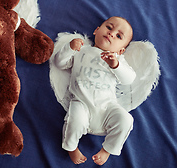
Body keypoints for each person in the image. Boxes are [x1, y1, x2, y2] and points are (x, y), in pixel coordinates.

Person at [54, 16, 136, 165]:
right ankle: (71, 147)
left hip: (107, 107)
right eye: (109, 28)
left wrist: (116, 65)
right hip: (82, 102)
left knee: (126, 120)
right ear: (96, 30)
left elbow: (129, 79)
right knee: (75, 120)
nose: (111, 33)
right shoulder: (82, 50)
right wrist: (69, 48)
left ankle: (108, 149)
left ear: (121, 50)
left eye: (118, 36)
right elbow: (59, 63)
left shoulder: (117, 60)